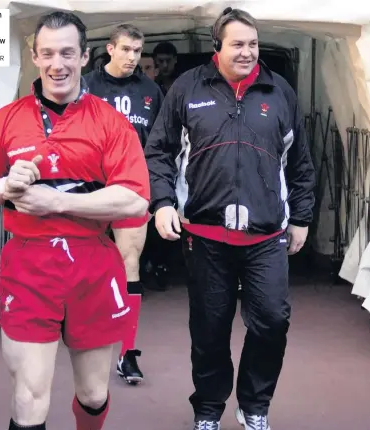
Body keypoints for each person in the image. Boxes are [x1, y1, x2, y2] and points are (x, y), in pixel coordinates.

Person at [0, 11, 150, 430]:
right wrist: (4, 187)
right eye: (47, 53)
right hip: (29, 266)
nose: (57, 64)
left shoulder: (108, 121)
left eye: (68, 53)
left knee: (93, 394)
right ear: (34, 56)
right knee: (30, 393)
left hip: (92, 264)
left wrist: (57, 203)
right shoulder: (8, 119)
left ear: (85, 57)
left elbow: (135, 200)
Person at [144, 7, 315, 430]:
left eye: (253, 44)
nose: (247, 52)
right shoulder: (187, 88)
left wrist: (302, 216)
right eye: (238, 44)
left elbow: (300, 162)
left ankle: (254, 406)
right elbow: (159, 151)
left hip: (266, 234)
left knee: (273, 321)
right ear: (217, 48)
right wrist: (163, 202)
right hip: (205, 234)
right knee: (209, 329)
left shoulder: (280, 92)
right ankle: (208, 409)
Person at [84, 23, 164, 385]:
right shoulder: (86, 85)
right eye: (127, 50)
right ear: (110, 49)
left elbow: (160, 144)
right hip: (89, 189)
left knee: (129, 264)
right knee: (87, 268)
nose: (133, 57)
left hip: (133, 187)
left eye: (138, 51)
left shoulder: (151, 91)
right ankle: (87, 340)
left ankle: (127, 353)